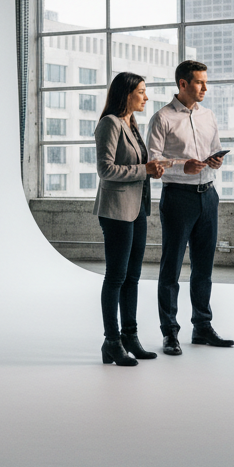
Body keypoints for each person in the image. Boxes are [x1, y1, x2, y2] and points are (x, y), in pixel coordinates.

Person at [147, 60, 234, 355]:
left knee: (203, 268)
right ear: (183, 84)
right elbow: (153, 163)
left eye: (205, 82)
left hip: (208, 197)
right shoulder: (162, 119)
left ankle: (202, 327)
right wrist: (183, 167)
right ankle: (169, 333)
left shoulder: (208, 116)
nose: (205, 88)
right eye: (199, 82)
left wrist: (216, 160)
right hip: (178, 199)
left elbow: (214, 148)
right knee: (171, 268)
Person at [93, 72, 166, 366]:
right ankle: (111, 342)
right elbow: (105, 170)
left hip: (137, 211)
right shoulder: (109, 124)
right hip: (116, 212)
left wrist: (153, 170)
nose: (146, 97)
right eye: (141, 92)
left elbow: (137, 166)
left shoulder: (131, 124)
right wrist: (144, 171)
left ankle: (130, 337)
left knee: (133, 278)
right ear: (126, 94)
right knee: (116, 277)